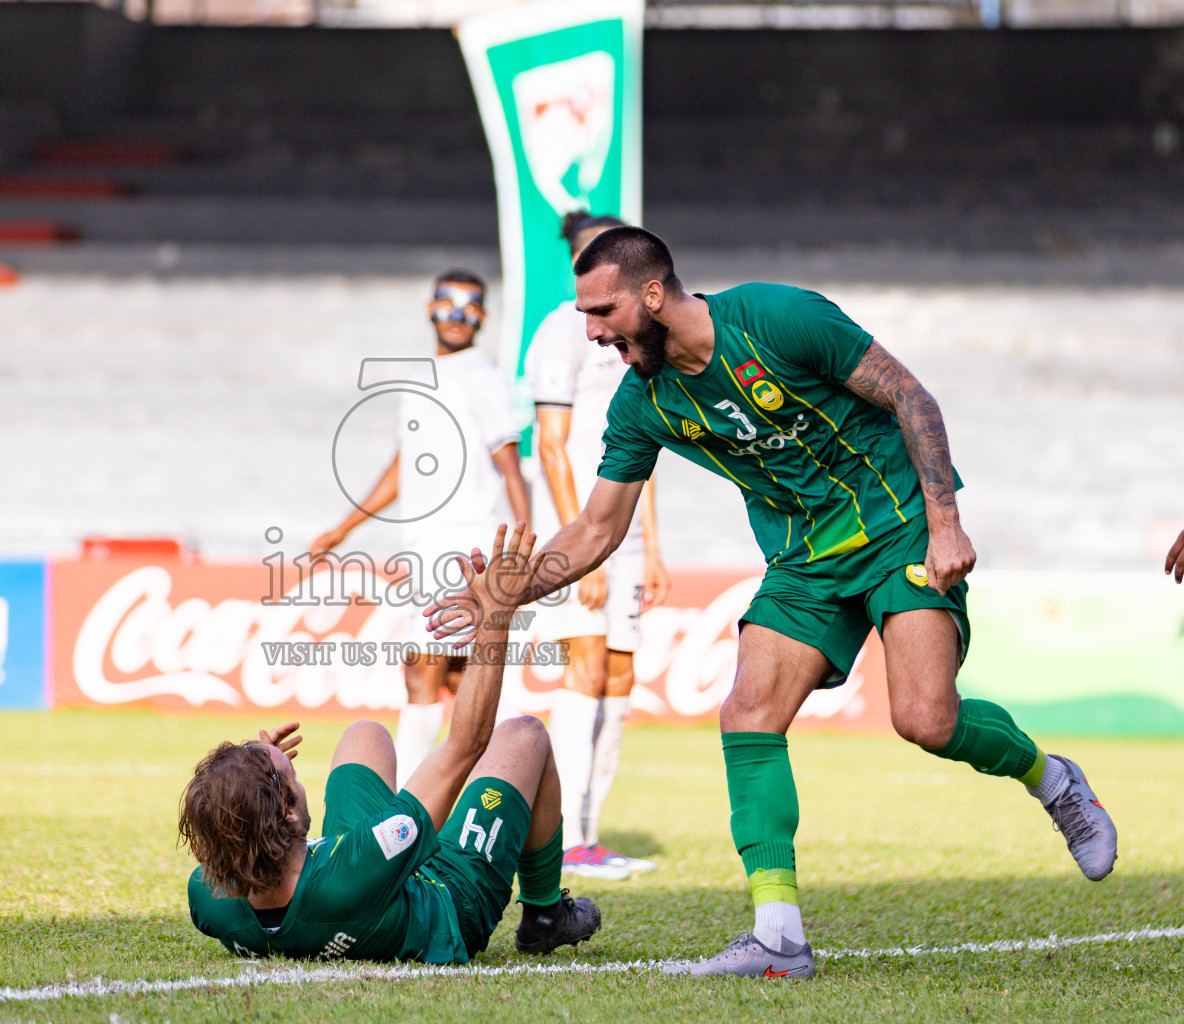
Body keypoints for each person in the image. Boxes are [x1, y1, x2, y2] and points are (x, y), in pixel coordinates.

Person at [424, 227, 1118, 980]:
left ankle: (1051, 778)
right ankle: (779, 935)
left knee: (926, 719)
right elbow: (596, 528)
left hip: (896, 524)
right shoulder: (641, 401)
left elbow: (909, 394)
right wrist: (507, 589)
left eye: (602, 311)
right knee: (747, 711)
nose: (591, 332)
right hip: (804, 558)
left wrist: (945, 520)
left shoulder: (778, 317)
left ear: (652, 295)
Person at [181, 524, 600, 964]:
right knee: (525, 734)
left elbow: (244, 835)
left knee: (366, 734)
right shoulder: (355, 869)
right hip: (444, 899)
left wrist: (254, 777)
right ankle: (545, 915)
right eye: (291, 778)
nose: (296, 773)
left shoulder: (209, 898)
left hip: (351, 883)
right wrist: (497, 613)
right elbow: (467, 745)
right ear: (285, 813)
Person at [311, 270, 530, 787]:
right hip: (427, 542)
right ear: (430, 307)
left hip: (464, 540)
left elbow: (508, 459)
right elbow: (403, 465)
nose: (457, 314)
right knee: (457, 673)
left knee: (422, 666)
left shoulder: (482, 376)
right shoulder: (421, 376)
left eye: (469, 305)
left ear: (483, 316)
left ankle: (407, 801)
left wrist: (524, 537)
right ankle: (507, 775)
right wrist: (345, 528)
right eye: (448, 303)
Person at [525, 211, 668, 881]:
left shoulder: (635, 339)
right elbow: (551, 445)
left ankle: (591, 832)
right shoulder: (562, 330)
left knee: (619, 676)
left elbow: (647, 446)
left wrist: (654, 546)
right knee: (583, 669)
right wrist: (581, 551)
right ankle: (563, 837)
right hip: (587, 529)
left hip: (629, 532)